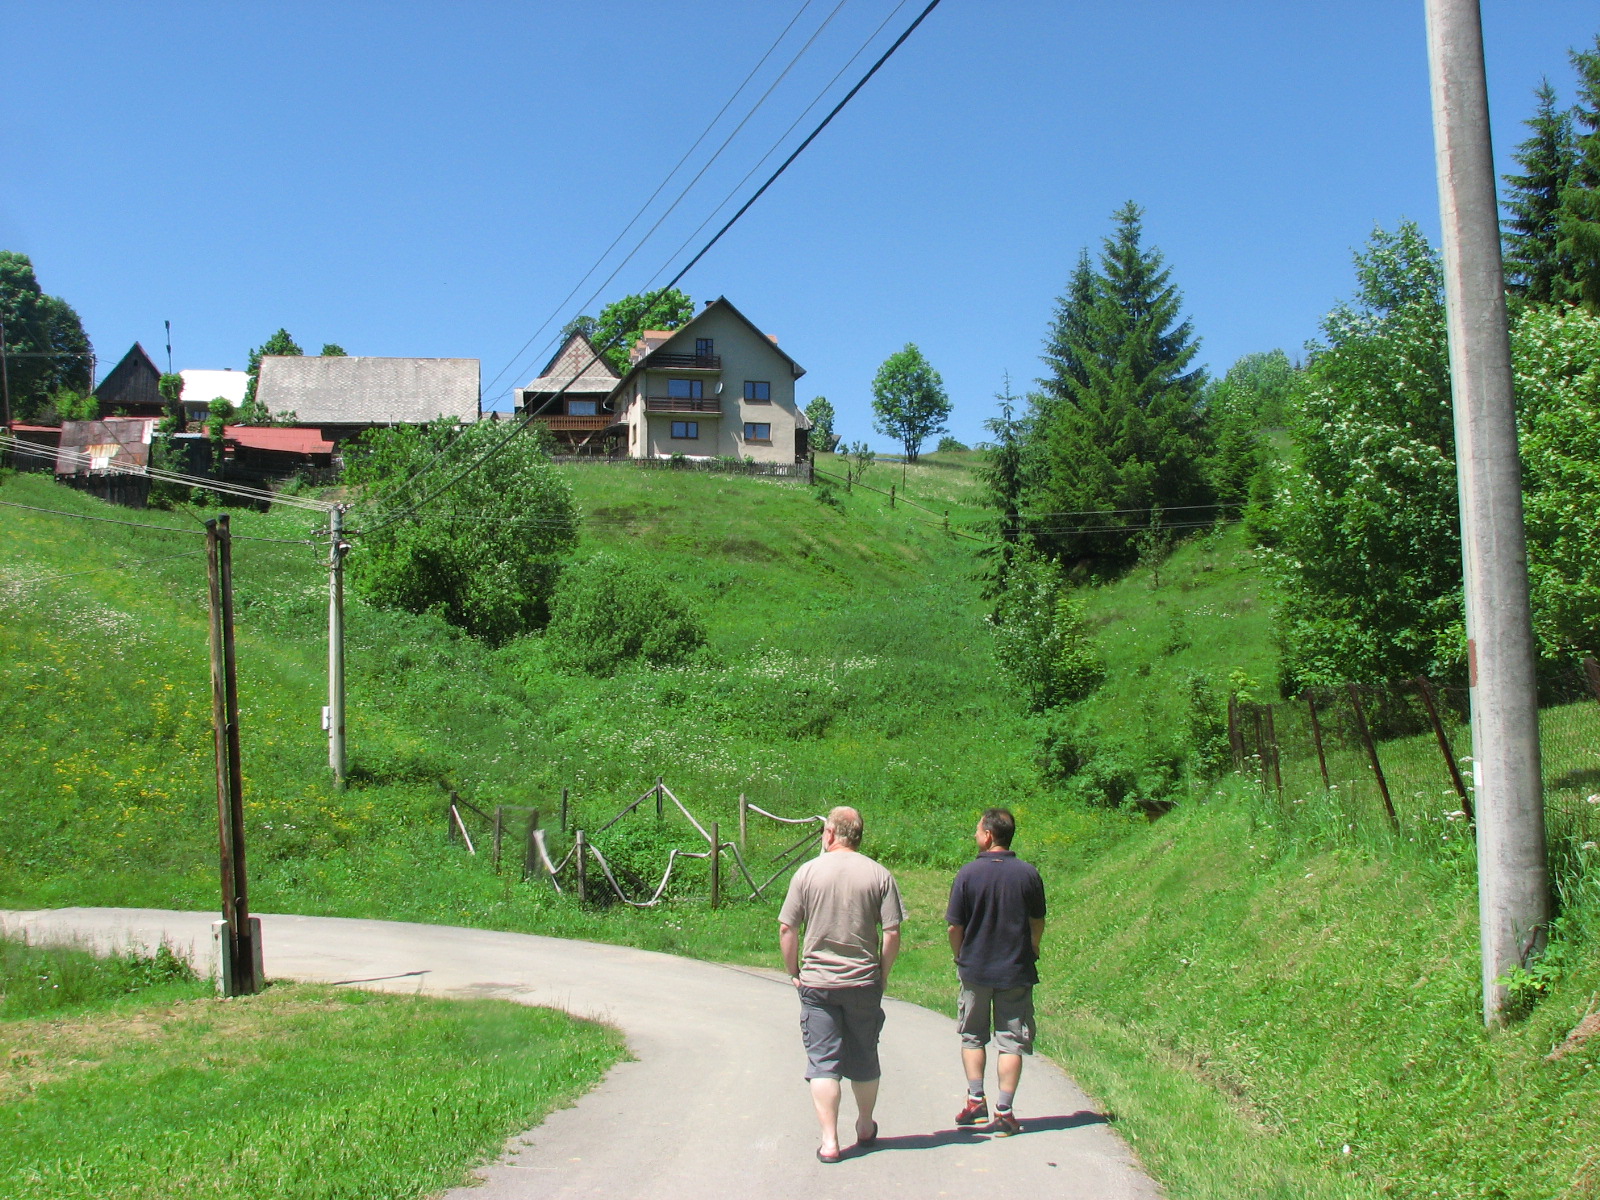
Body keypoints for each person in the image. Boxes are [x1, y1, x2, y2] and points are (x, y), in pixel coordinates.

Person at [778, 805, 904, 1164]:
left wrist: (794, 971)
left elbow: (787, 928)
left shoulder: (807, 872)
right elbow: (892, 932)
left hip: (817, 983)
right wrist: (882, 973)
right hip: (863, 980)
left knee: (823, 1062)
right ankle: (864, 1125)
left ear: (830, 834)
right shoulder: (879, 874)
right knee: (864, 1055)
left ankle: (830, 1141)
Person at [946, 806, 1046, 1137]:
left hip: (975, 969)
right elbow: (1037, 920)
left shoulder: (967, 874)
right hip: (1015, 970)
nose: (975, 834)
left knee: (973, 1036)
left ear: (988, 836)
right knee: (1011, 1041)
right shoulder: (1028, 874)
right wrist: (1034, 947)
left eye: (978, 830)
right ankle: (1004, 1113)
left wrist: (959, 955)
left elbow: (954, 927)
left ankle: (976, 1102)